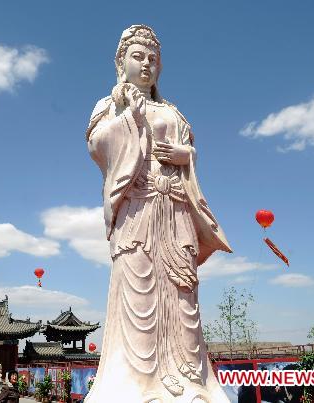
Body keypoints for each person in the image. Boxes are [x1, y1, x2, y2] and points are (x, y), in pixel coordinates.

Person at [84, 25, 232, 403]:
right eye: (138, 56)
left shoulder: (172, 110)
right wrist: (129, 118)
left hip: (176, 210)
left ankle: (192, 379)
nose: (146, 64)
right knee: (140, 295)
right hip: (137, 211)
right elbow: (98, 148)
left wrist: (187, 156)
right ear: (121, 62)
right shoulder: (110, 104)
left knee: (184, 296)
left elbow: (189, 151)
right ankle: (136, 382)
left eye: (152, 59)